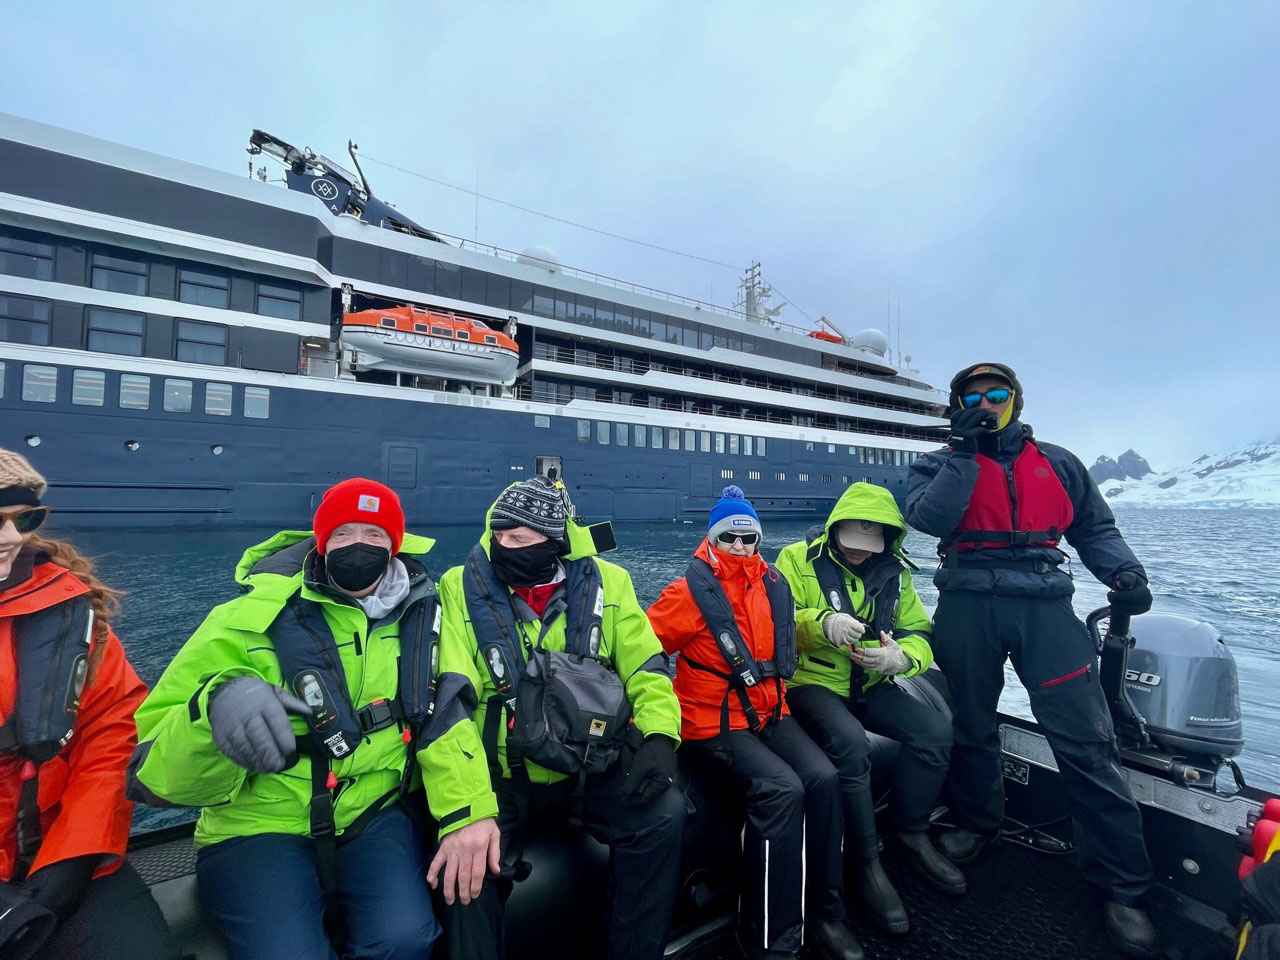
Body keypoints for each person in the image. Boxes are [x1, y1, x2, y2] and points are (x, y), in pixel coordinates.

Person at [906, 362, 1160, 959]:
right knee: (970, 725)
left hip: (1046, 608)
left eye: (997, 395)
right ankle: (977, 823)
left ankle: (1122, 886)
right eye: (973, 397)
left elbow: (1095, 529)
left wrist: (1125, 572)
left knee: (1086, 739)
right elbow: (928, 520)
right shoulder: (938, 463)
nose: (986, 404)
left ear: (1015, 401)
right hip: (967, 603)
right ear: (957, 406)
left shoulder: (1061, 463)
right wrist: (966, 454)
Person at [130, 478, 442, 960]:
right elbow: (151, 774)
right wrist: (214, 710)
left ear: (395, 546)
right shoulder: (238, 621)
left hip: (372, 813)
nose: (358, 545)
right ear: (321, 542)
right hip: (258, 822)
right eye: (342, 533)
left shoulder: (422, 615)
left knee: (406, 938)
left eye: (375, 534)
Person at [423, 474, 686, 960]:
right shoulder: (458, 588)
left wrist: (659, 737)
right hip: (500, 773)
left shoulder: (612, 583)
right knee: (467, 875)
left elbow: (647, 669)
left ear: (554, 542)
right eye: (499, 535)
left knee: (663, 817)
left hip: (587, 762)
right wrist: (467, 809)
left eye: (519, 538)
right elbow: (451, 703)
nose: (504, 547)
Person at [648, 487, 863, 960]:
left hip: (769, 711)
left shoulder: (773, 584)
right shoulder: (687, 593)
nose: (741, 546)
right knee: (781, 790)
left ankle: (825, 910)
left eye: (749, 538)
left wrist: (831, 626)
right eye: (729, 537)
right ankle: (770, 940)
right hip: (712, 722)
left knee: (824, 778)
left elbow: (789, 638)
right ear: (712, 539)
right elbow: (642, 650)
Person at [0, 449, 176, 960]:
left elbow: (111, 730)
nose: (9, 537)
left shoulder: (71, 612)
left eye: (24, 519)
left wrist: (73, 857)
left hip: (57, 847)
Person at [775, 482, 964, 936]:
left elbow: (918, 630)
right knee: (850, 743)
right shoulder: (795, 560)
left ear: (887, 538)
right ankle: (866, 860)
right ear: (834, 529)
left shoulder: (897, 574)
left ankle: (911, 831)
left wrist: (902, 659)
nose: (859, 550)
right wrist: (823, 624)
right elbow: (775, 622)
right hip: (812, 683)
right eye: (850, 539)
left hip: (873, 682)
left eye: (869, 541)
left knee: (935, 734)